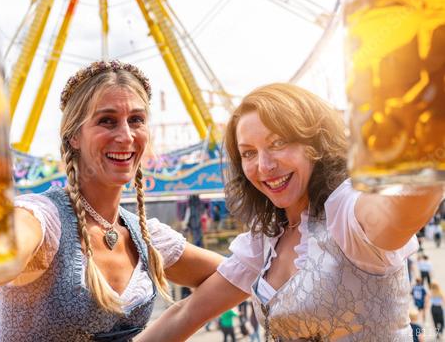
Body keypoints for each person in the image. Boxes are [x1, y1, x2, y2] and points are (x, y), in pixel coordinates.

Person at [136, 83, 443, 341]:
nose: (264, 166)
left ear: (316, 143)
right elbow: (187, 312)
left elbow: (397, 214)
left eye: (278, 143)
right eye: (249, 153)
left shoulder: (346, 210)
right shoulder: (266, 240)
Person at [0, 60, 222, 340]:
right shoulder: (45, 218)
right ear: (74, 136)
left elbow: (234, 275)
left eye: (136, 120)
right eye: (107, 121)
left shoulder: (146, 237)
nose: (126, 136)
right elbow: (5, 248)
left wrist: (177, 321)